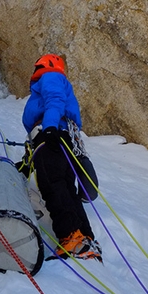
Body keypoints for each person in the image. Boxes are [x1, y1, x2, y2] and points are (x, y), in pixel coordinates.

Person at [21, 54, 101, 261]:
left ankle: (71, 238)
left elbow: (54, 100)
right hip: (62, 138)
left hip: (51, 136)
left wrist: (49, 129)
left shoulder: (50, 76)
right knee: (65, 187)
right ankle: (84, 238)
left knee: (53, 185)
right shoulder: (55, 79)